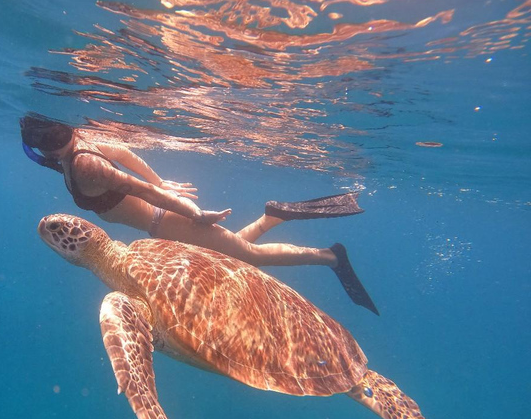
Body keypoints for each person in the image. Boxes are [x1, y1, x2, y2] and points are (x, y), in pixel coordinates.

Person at [20, 113, 379, 315]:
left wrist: (192, 210)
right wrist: (164, 184)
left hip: (165, 222)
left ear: (46, 147)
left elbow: (138, 189)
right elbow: (126, 154)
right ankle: (274, 216)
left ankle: (332, 257)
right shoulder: (82, 141)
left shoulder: (85, 168)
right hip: (163, 218)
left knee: (249, 257)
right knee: (231, 250)